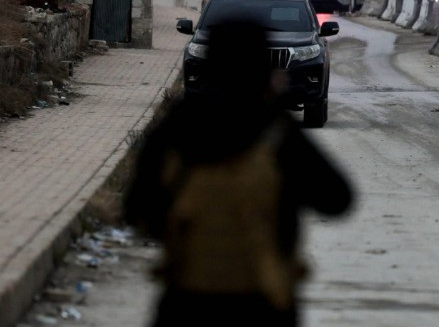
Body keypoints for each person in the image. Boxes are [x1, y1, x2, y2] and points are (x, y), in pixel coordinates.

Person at [125, 22, 353, 326]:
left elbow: (136, 211)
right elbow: (338, 199)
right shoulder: (276, 130)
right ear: (263, 67)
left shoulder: (176, 127)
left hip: (185, 304)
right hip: (263, 305)